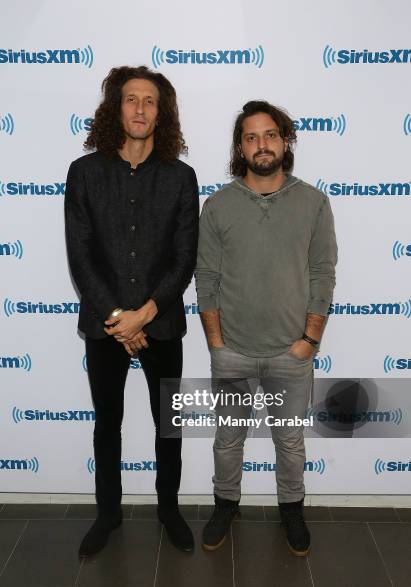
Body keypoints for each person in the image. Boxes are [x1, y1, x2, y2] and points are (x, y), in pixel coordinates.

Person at [64, 65, 199, 556]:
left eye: (150, 102)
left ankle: (169, 509)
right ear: (115, 108)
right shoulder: (84, 172)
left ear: (161, 114)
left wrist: (145, 313)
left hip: (161, 322)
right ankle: (108, 515)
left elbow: (184, 257)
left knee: (169, 424)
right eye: (131, 99)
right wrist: (120, 319)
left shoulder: (181, 177)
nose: (140, 109)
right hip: (106, 326)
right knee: (108, 424)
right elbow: (81, 254)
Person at [195, 100, 337, 555]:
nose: (262, 144)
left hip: (290, 353)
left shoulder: (313, 203)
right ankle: (225, 503)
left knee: (290, 441)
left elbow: (322, 274)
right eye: (252, 137)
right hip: (232, 349)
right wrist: (216, 344)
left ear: (285, 140)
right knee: (227, 438)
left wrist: (309, 340)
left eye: (270, 135)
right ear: (241, 146)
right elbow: (207, 279)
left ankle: (292, 509)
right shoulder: (217, 206)